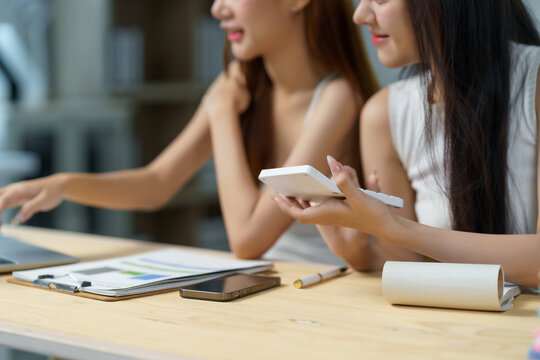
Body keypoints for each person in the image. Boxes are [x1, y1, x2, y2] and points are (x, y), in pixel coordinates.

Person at [0, 0, 378, 265]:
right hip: (267, 284)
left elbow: (246, 238)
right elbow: (157, 182)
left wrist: (222, 113)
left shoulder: (338, 97)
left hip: (322, 290)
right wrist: (63, 185)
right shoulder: (239, 84)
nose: (217, 9)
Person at [275, 0, 540, 286]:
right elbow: (409, 267)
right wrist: (356, 250)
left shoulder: (533, 82)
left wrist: (392, 227)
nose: (360, 15)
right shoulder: (384, 115)